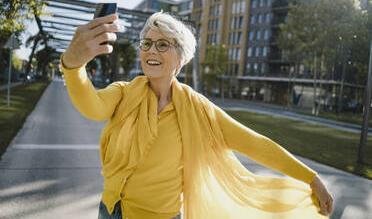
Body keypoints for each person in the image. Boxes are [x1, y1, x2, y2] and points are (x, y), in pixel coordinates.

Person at [60, 11, 333, 219]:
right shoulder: (123, 92)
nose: (151, 50)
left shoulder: (200, 110)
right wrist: (73, 66)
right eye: (147, 43)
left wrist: (311, 178)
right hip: (109, 211)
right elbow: (92, 106)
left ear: (180, 59)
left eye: (163, 45)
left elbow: (255, 143)